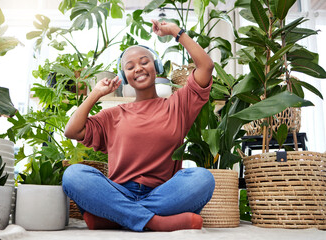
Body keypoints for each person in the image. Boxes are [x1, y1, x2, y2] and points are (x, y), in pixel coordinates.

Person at [62, 19, 215, 232]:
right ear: (124, 76)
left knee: (203, 178)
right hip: (118, 192)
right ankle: (154, 222)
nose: (139, 69)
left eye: (144, 62)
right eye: (130, 66)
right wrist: (95, 93)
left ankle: (117, 218)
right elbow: (72, 131)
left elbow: (206, 66)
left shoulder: (178, 105)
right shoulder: (112, 115)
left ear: (156, 66)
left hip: (162, 193)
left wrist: (175, 32)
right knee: (73, 175)